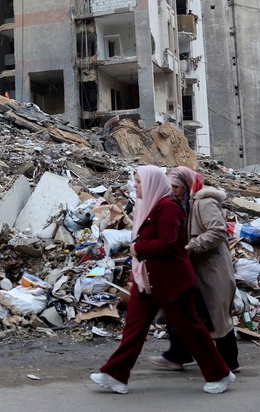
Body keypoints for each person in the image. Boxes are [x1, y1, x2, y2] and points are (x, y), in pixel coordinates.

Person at [90, 165, 234, 395]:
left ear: (151, 184)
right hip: (148, 280)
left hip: (171, 281)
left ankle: (220, 373)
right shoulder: (148, 206)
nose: (135, 186)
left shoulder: (167, 208)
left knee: (192, 329)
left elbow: (168, 243)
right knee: (134, 329)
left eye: (138, 182)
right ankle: (115, 374)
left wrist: (138, 247)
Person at [149, 166, 240, 372]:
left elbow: (217, 231)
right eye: (170, 187)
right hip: (194, 268)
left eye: (177, 187)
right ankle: (178, 354)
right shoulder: (182, 203)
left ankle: (229, 363)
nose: (173, 191)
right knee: (184, 311)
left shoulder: (203, 201)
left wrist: (192, 246)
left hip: (212, 269)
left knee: (216, 315)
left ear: (187, 185)